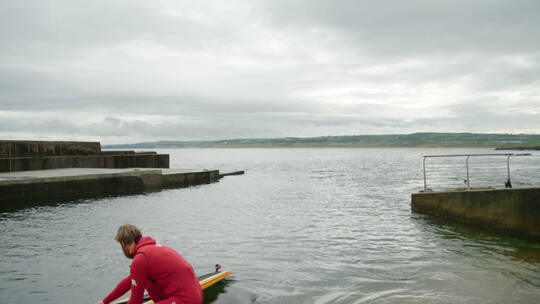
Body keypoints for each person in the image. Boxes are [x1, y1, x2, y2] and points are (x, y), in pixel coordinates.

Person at [96, 224, 203, 304]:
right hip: (194, 295)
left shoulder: (141, 258)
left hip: (182, 300)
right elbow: (130, 281)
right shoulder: (151, 250)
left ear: (123, 243)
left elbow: (135, 301)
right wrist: (105, 301)